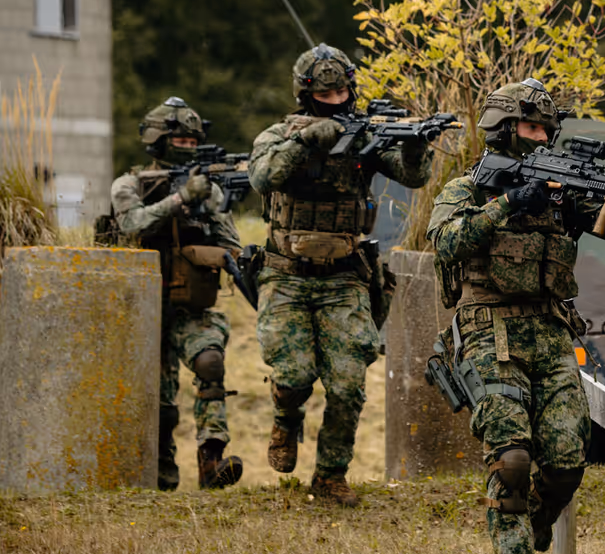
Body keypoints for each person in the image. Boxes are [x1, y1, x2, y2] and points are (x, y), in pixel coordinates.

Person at [427, 78, 605, 554]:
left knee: (567, 460)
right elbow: (446, 242)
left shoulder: (560, 194)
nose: (540, 137)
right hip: (488, 331)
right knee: (511, 459)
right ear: (504, 127)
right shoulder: (467, 188)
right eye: (531, 128)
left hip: (551, 331)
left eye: (545, 130)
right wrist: (508, 204)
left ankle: (531, 521)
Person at [248, 43, 433, 507]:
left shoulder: (365, 135)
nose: (336, 100)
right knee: (294, 373)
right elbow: (263, 177)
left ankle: (330, 476)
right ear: (306, 94)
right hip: (285, 275)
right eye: (325, 94)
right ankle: (286, 419)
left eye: (342, 92)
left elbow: (412, 177)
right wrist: (307, 140)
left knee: (348, 383)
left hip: (345, 277)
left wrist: (415, 147)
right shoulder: (278, 135)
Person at [109, 96, 244, 491]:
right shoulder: (129, 184)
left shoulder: (208, 190)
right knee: (158, 400)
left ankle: (211, 461)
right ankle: (160, 477)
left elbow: (231, 243)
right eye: (179, 140)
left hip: (191, 304)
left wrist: (210, 213)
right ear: (157, 140)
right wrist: (181, 198)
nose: (187, 147)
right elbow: (132, 224)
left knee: (210, 363)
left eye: (192, 141)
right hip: (141, 308)